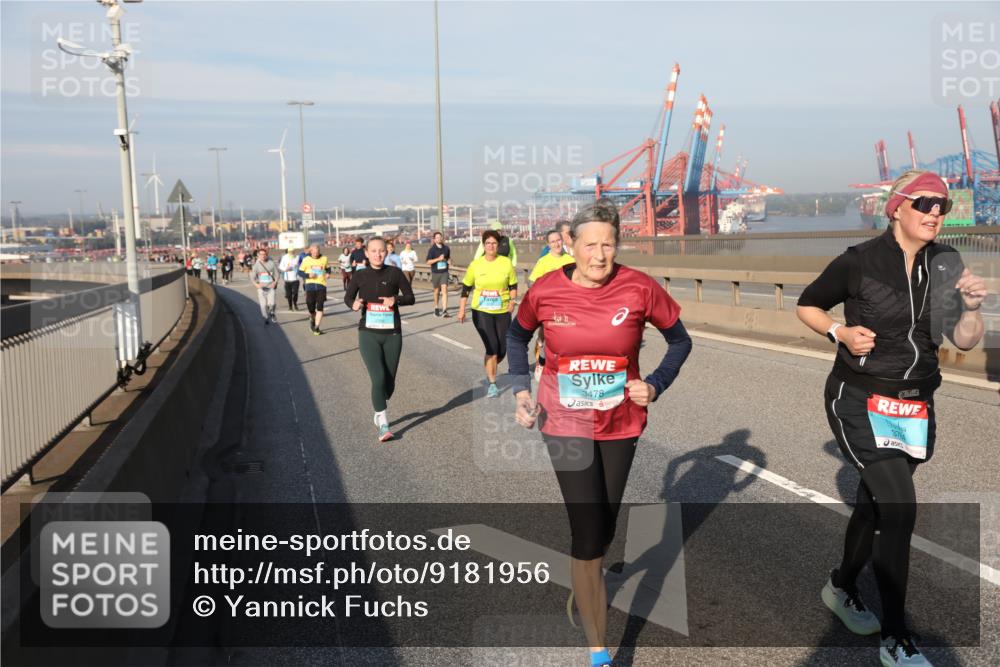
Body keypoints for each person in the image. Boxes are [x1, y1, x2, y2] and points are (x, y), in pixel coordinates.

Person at [796, 170, 987, 667]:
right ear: (897, 207)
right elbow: (808, 304)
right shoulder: (859, 261)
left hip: (914, 404)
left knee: (875, 506)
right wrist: (839, 331)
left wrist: (971, 307)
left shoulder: (947, 262)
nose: (934, 214)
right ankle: (897, 638)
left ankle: (840, 587)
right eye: (924, 203)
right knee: (899, 508)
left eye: (942, 206)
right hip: (858, 397)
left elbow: (963, 339)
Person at [507, 199, 692, 667]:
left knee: (606, 524)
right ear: (570, 245)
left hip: (620, 421)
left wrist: (655, 384)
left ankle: (586, 580)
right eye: (590, 245)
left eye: (608, 244)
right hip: (563, 419)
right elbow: (516, 336)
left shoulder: (640, 288)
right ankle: (598, 650)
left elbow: (680, 340)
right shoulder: (546, 289)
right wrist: (519, 390)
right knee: (587, 533)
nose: (599, 254)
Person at [344, 237, 416, 442]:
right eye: (373, 251)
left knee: (388, 384)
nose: (377, 254)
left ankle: (379, 404)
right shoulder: (360, 276)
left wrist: (396, 300)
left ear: (387, 252)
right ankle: (383, 423)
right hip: (368, 333)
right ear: (366, 253)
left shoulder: (395, 273)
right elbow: (348, 298)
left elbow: (410, 297)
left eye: (381, 251)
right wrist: (354, 304)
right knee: (377, 378)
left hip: (392, 334)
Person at [458, 230, 518, 398]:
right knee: (491, 347)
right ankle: (492, 383)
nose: (491, 246)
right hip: (481, 310)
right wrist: (462, 310)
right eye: (488, 243)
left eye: (494, 243)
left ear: (498, 245)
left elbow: (513, 285)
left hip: (502, 310)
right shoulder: (476, 265)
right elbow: (466, 288)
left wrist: (512, 302)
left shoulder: (506, 263)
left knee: (502, 350)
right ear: (483, 246)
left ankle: (491, 364)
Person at [527, 229, 576, 378]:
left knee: (566, 338)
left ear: (562, 241)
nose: (556, 244)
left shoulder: (571, 260)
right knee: (548, 337)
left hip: (568, 306)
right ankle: (541, 362)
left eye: (558, 240)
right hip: (549, 306)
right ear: (548, 244)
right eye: (553, 241)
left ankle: (564, 369)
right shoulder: (544, 262)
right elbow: (531, 283)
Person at [298, 244, 330, 335]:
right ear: (311, 251)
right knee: (311, 307)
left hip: (321, 285)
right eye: (314, 252)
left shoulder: (324, 258)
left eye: (317, 252)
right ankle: (312, 318)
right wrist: (308, 275)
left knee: (320, 306)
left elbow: (328, 269)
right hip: (310, 286)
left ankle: (316, 327)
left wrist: (328, 273)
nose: (316, 254)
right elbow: (300, 272)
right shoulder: (306, 260)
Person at [251, 247, 279, 325]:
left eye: (264, 254)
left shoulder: (271, 263)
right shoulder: (256, 265)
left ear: (266, 255)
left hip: (270, 286)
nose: (263, 256)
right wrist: (256, 284)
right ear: (258, 255)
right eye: (261, 254)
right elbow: (252, 277)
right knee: (263, 305)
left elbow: (277, 274)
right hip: (261, 288)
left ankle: (272, 313)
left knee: (272, 303)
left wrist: (275, 282)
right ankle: (265, 317)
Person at [426, 231, 451, 317]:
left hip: (444, 272)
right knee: (436, 291)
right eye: (437, 238)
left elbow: (448, 258)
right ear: (434, 239)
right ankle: (436, 307)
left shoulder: (446, 248)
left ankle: (444, 310)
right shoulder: (432, 250)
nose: (439, 239)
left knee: (445, 290)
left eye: (440, 237)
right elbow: (428, 262)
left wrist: (449, 261)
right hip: (436, 272)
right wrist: (438, 259)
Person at [279, 246, 302, 311]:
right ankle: (290, 306)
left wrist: (299, 268)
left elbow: (301, 265)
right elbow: (280, 266)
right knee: (289, 294)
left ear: (294, 251)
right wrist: (285, 269)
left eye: (292, 251)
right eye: (290, 252)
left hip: (295, 279)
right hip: (287, 279)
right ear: (288, 252)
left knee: (295, 293)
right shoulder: (284, 257)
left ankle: (295, 303)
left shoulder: (297, 257)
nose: (291, 252)